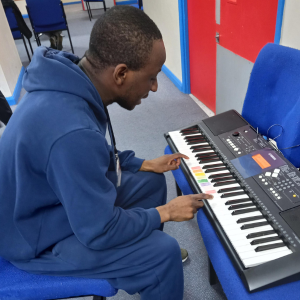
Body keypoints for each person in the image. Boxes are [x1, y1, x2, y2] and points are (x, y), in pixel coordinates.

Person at [0, 6, 213, 300]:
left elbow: (95, 154)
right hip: (35, 241)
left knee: (150, 181)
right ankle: (149, 264)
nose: (153, 87)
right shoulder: (70, 131)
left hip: (55, 205)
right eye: (151, 77)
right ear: (121, 74)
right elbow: (97, 230)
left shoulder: (72, 81)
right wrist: (165, 212)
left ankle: (138, 259)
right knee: (162, 254)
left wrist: (142, 163)